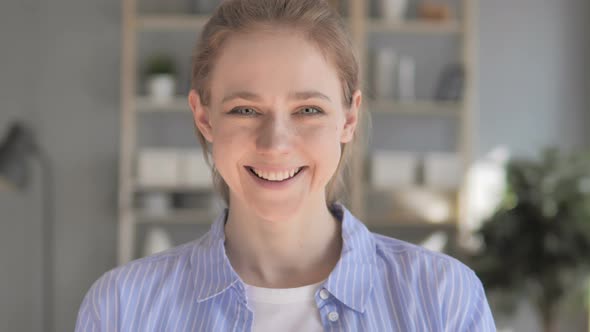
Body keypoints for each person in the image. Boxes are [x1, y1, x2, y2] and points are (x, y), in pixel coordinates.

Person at [75, 0, 496, 331]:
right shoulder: (122, 308)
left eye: (308, 109)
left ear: (348, 119)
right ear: (204, 118)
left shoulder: (443, 298)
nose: (275, 143)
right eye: (244, 110)